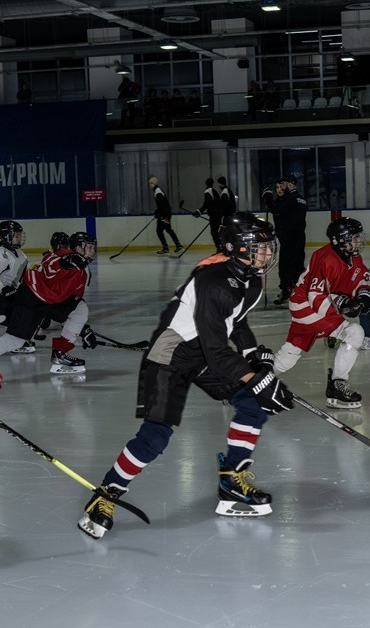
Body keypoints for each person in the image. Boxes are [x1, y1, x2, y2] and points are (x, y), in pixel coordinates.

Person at [77, 213, 289, 540]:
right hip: (172, 354)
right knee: (155, 435)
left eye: (266, 246)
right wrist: (256, 378)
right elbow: (217, 351)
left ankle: (232, 480)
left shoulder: (251, 279)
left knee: (253, 406)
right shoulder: (213, 281)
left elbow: (237, 321)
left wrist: (250, 356)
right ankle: (106, 493)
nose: (267, 252)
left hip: (205, 352)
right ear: (236, 247)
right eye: (258, 246)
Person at [272, 217, 370, 409]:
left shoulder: (352, 255)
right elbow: (314, 295)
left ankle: (249, 380)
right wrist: (342, 304)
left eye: (358, 236)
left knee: (289, 356)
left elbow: (361, 276)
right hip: (306, 307)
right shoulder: (326, 259)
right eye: (354, 237)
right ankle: (337, 385)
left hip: (315, 307)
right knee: (354, 332)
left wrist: (364, 294)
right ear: (340, 240)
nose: (358, 241)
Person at [0, 232, 98, 374]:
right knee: (14, 341)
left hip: (50, 301)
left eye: (93, 248)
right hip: (31, 297)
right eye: (89, 248)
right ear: (78, 248)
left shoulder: (83, 272)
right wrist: (65, 262)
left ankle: (60, 353)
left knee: (80, 308)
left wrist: (82, 328)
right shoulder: (63, 256)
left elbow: (72, 301)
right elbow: (49, 265)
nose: (93, 251)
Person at [263, 174, 307, 305]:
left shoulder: (290, 199)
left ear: (289, 184)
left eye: (282, 185)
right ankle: (298, 289)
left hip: (289, 237)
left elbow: (276, 210)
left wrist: (267, 196)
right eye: (278, 186)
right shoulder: (300, 199)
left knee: (285, 266)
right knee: (297, 264)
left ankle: (287, 289)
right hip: (298, 237)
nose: (280, 188)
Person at [0, 220, 27, 321]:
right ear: (6, 236)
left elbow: (21, 277)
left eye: (19, 235)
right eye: (16, 236)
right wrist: (3, 289)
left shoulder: (22, 255)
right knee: (5, 319)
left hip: (11, 292)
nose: (19, 238)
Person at [148, 176, 183, 254]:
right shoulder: (157, 191)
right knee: (167, 229)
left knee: (160, 230)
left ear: (155, 183)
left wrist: (159, 214)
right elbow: (161, 205)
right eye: (149, 183)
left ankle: (167, 247)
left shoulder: (158, 191)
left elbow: (163, 205)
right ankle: (177, 245)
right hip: (165, 213)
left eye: (151, 183)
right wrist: (157, 212)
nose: (150, 185)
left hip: (165, 214)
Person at [194, 178, 222, 249]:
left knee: (214, 232)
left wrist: (199, 211)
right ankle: (220, 247)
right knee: (215, 232)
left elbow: (206, 203)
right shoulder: (213, 191)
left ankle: (219, 247)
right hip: (217, 214)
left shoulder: (208, 191)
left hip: (215, 215)